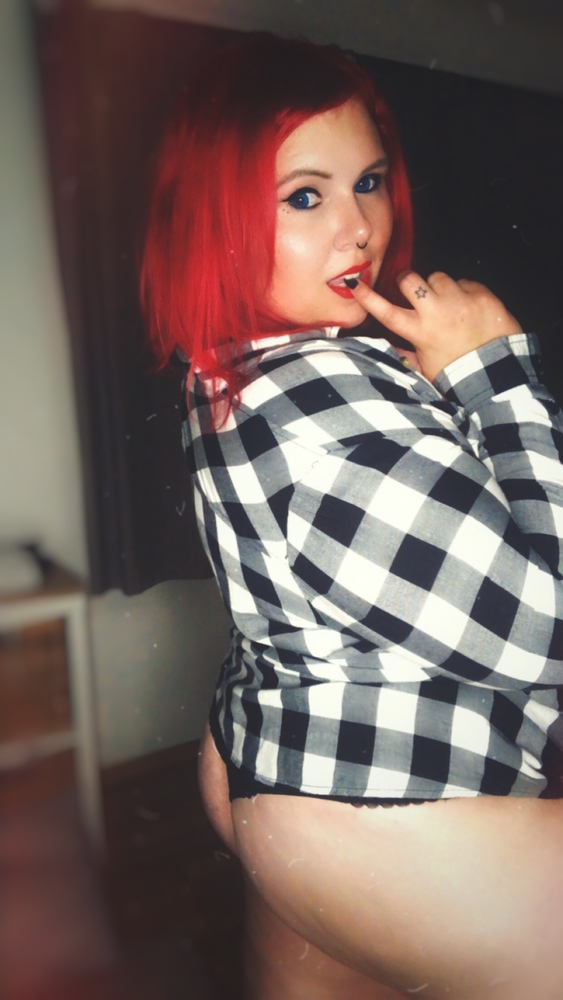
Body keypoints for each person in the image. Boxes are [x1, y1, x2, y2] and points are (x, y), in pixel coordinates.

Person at [141, 34, 563, 1000]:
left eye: (367, 182)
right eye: (305, 196)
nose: (358, 227)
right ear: (214, 217)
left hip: (290, 764)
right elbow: (544, 632)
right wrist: (494, 374)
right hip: (393, 810)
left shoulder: (240, 365)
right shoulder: (328, 406)